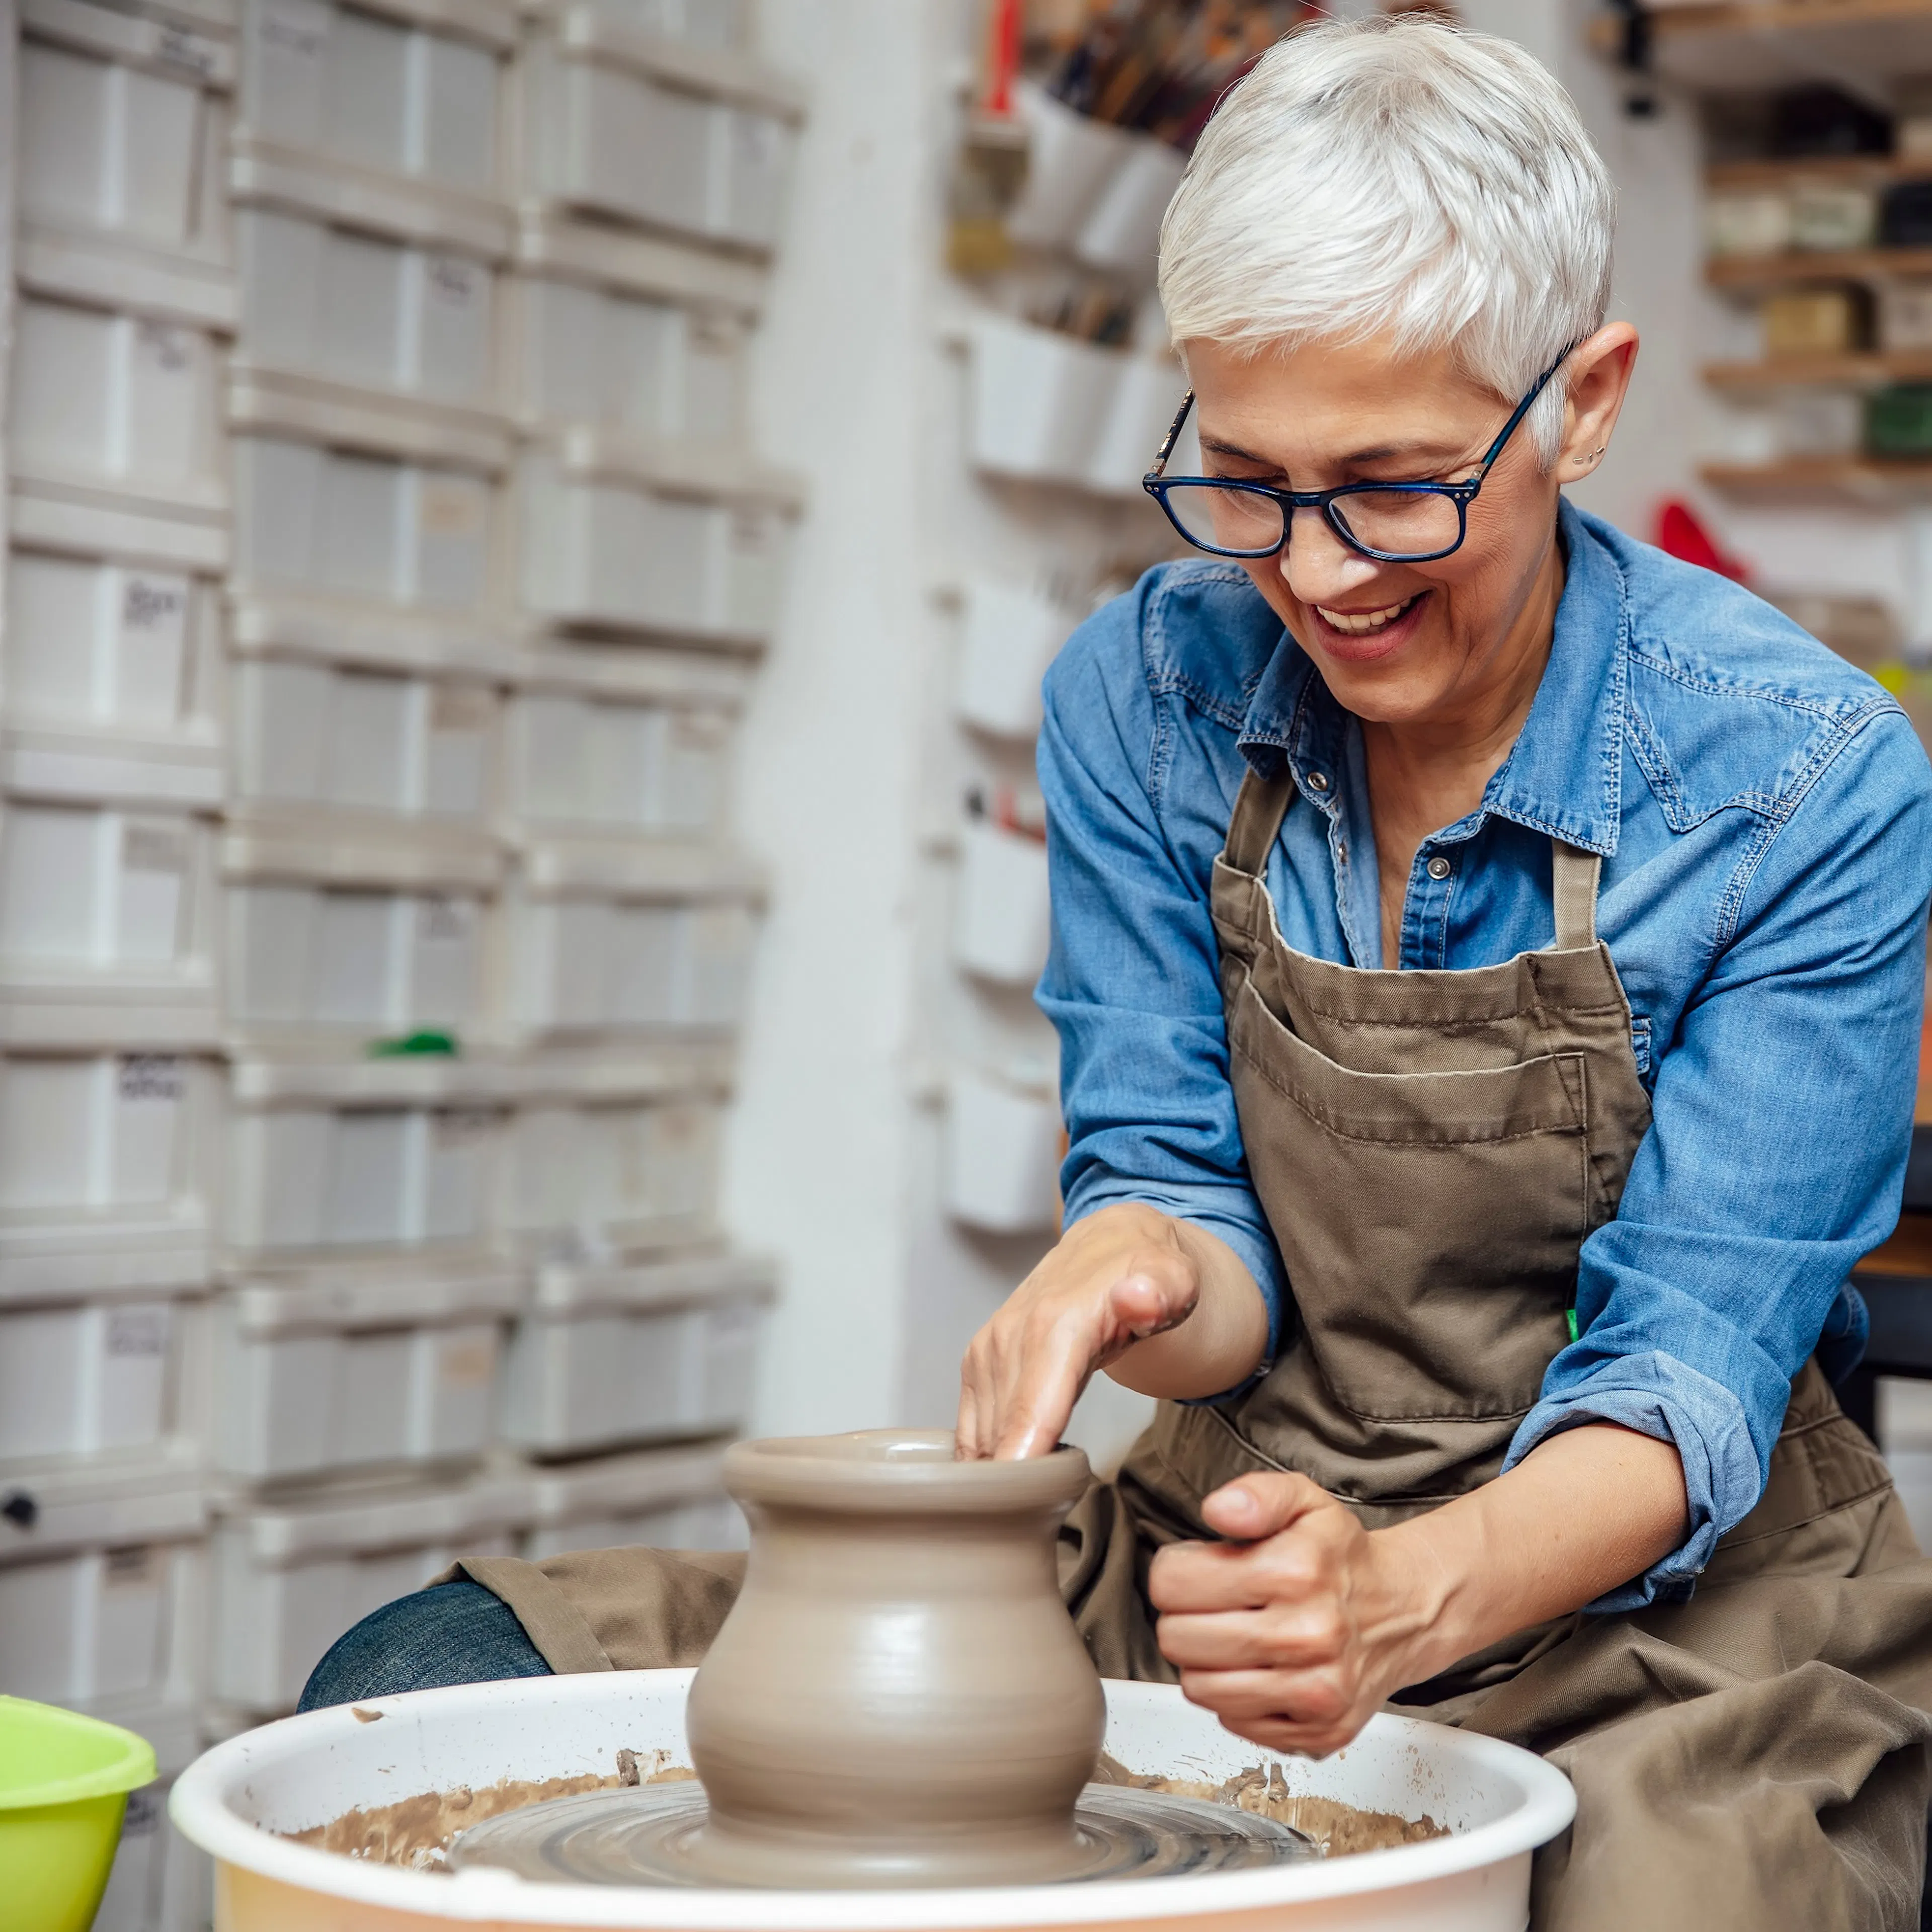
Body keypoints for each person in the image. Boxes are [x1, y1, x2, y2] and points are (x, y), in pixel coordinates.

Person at [301, 19, 1932, 1925]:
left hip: (1664, 1605)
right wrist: (1136, 1257)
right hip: (1215, 1544)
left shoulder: (1807, 778)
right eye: (1246, 481)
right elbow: (1198, 1238)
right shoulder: (1147, 693)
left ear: (1584, 403)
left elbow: (1688, 1380)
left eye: (1394, 486)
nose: (1318, 577)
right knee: (414, 1693)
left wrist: (1400, 1599)